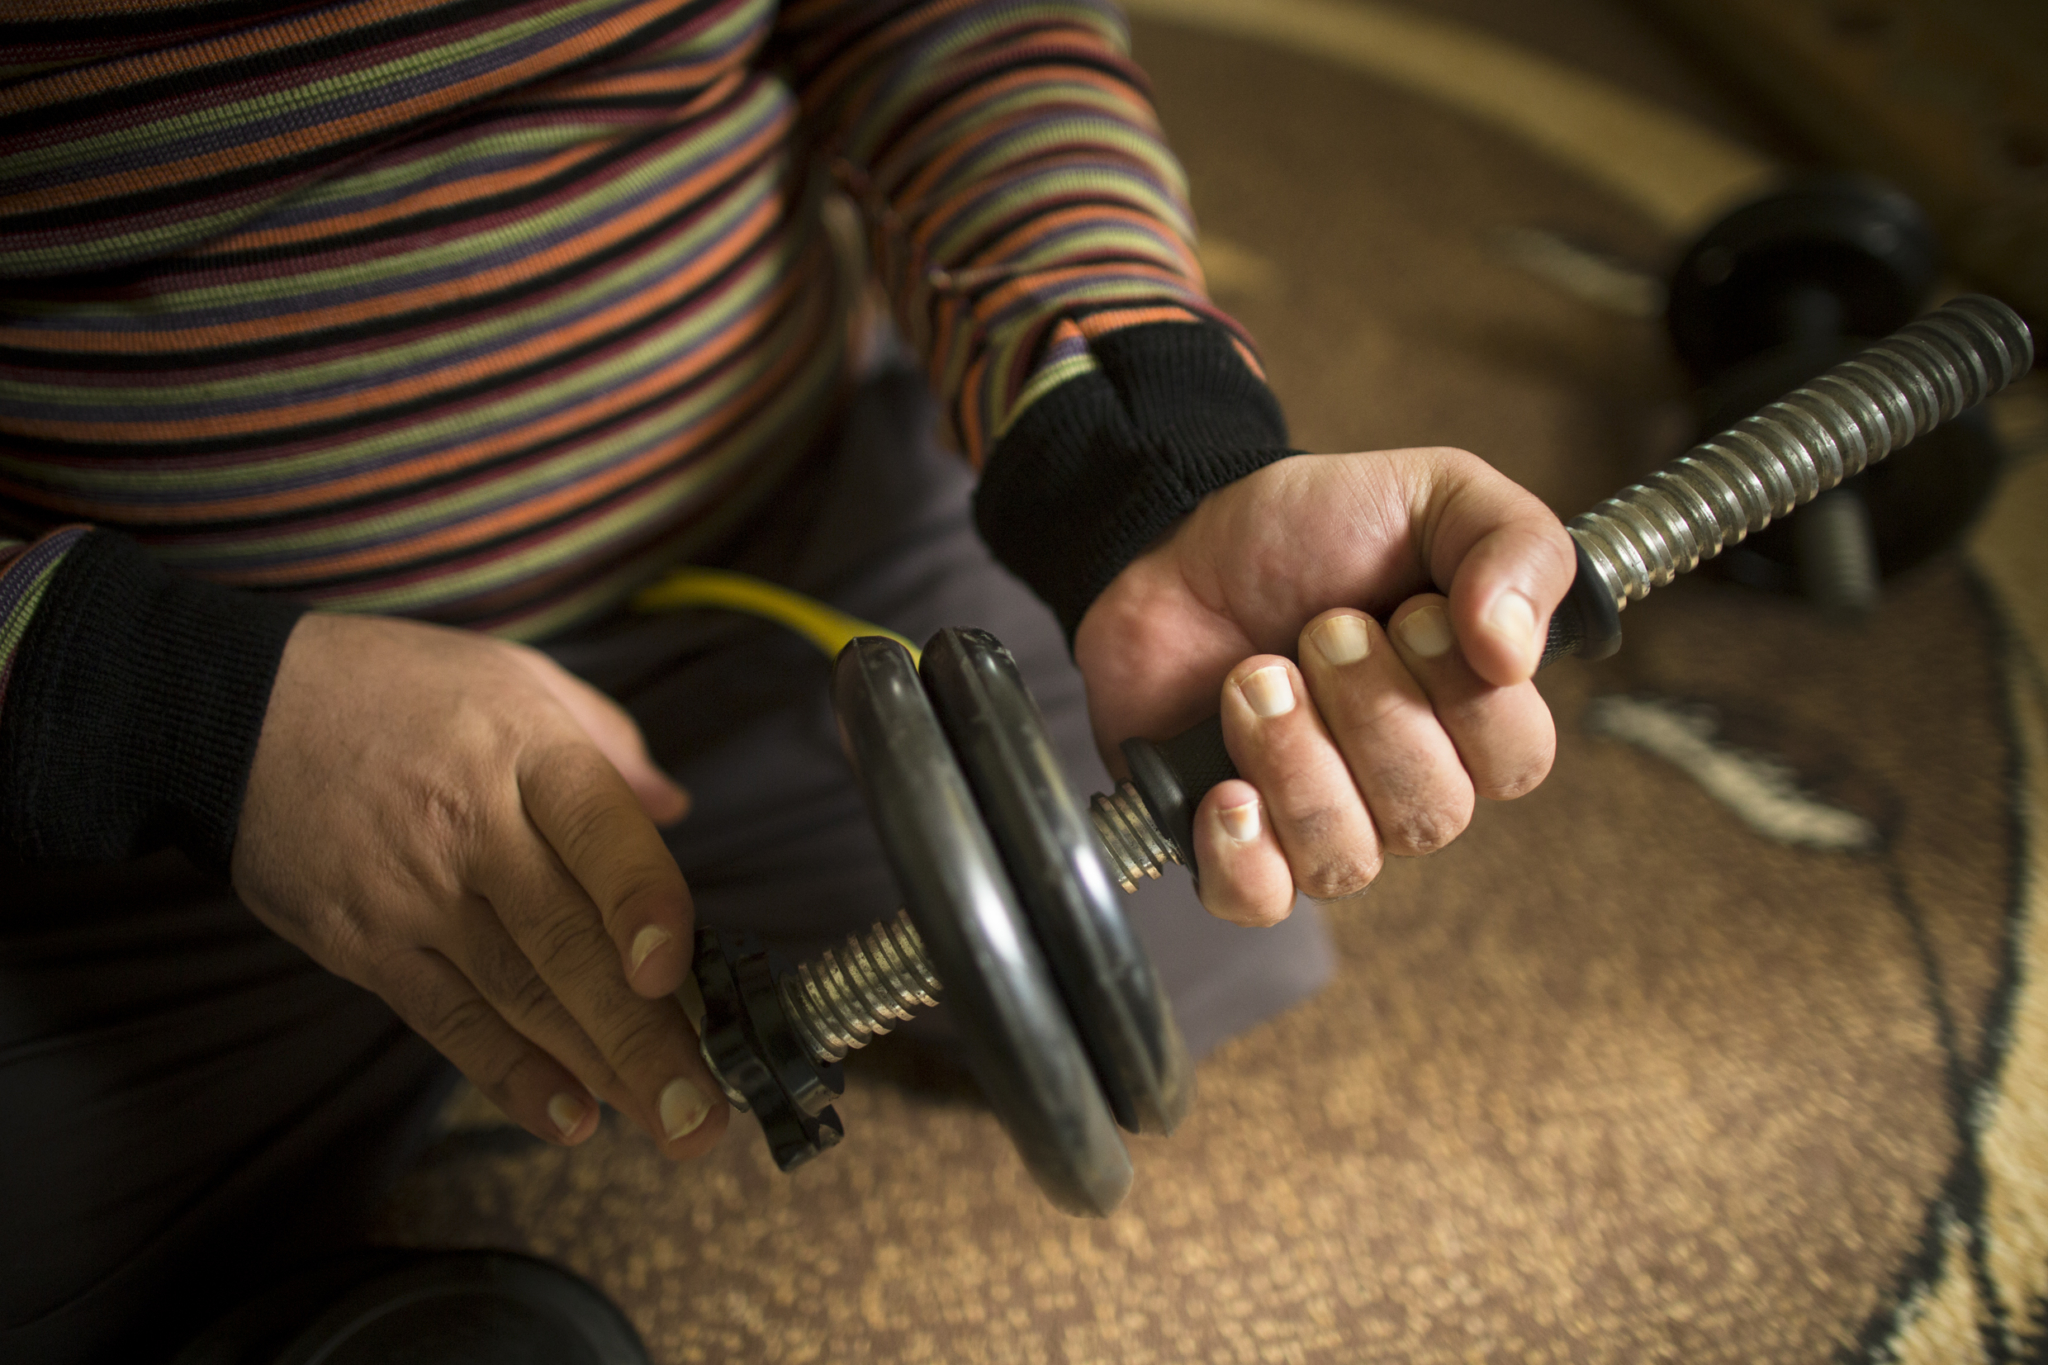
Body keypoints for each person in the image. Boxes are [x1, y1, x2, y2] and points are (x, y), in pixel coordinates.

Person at [0, 1, 1574, 1359]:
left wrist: (1149, 467)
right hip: (172, 716)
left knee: (1215, 903)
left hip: (787, 536)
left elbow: (943, 30)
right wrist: (174, 705)